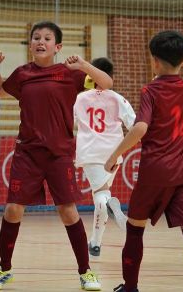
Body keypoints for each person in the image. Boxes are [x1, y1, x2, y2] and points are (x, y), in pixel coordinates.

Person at [0, 21, 113, 291]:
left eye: (46, 38)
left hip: (60, 155)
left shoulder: (70, 74)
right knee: (12, 210)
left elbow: (106, 82)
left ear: (58, 47)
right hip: (27, 154)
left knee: (68, 212)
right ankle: (4, 269)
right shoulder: (22, 74)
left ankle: (85, 272)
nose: (40, 41)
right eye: (35, 38)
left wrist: (84, 65)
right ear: (30, 45)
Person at [105, 30, 183, 292]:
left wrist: (114, 155)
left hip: (156, 170)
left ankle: (130, 288)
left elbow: (140, 128)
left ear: (153, 60)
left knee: (135, 229)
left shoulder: (150, 90)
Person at [73, 57, 134, 258]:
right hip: (113, 153)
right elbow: (134, 125)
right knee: (101, 194)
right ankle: (96, 243)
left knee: (101, 195)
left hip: (90, 152)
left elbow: (68, 124)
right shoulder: (117, 98)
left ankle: (109, 204)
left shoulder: (80, 98)